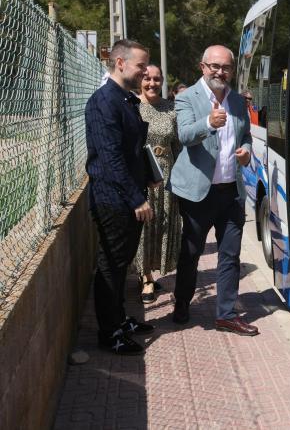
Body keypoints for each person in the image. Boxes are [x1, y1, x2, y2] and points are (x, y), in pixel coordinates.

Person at [168, 45, 259, 336]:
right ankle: (182, 302)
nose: (220, 72)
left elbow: (246, 135)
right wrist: (208, 122)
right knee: (191, 251)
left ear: (232, 70)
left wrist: (246, 151)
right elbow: (184, 135)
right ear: (203, 67)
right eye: (214, 66)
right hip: (198, 193)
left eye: (226, 67)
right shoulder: (187, 98)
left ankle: (226, 315)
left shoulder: (237, 101)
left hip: (231, 192)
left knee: (230, 255)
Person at [84, 39, 157, 355]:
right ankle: (110, 333)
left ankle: (120, 320)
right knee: (111, 266)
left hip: (127, 196)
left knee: (121, 264)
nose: (145, 71)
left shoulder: (125, 99)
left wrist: (148, 176)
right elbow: (111, 158)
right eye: (141, 65)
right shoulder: (104, 102)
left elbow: (133, 149)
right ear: (120, 63)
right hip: (113, 200)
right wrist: (135, 199)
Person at [133, 65, 182, 304]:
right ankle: (145, 278)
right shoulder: (132, 107)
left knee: (162, 224)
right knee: (144, 227)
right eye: (147, 78)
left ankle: (152, 269)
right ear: (139, 80)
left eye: (156, 79)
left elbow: (178, 147)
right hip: (142, 175)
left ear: (162, 81)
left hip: (166, 176)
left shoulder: (172, 109)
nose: (152, 83)